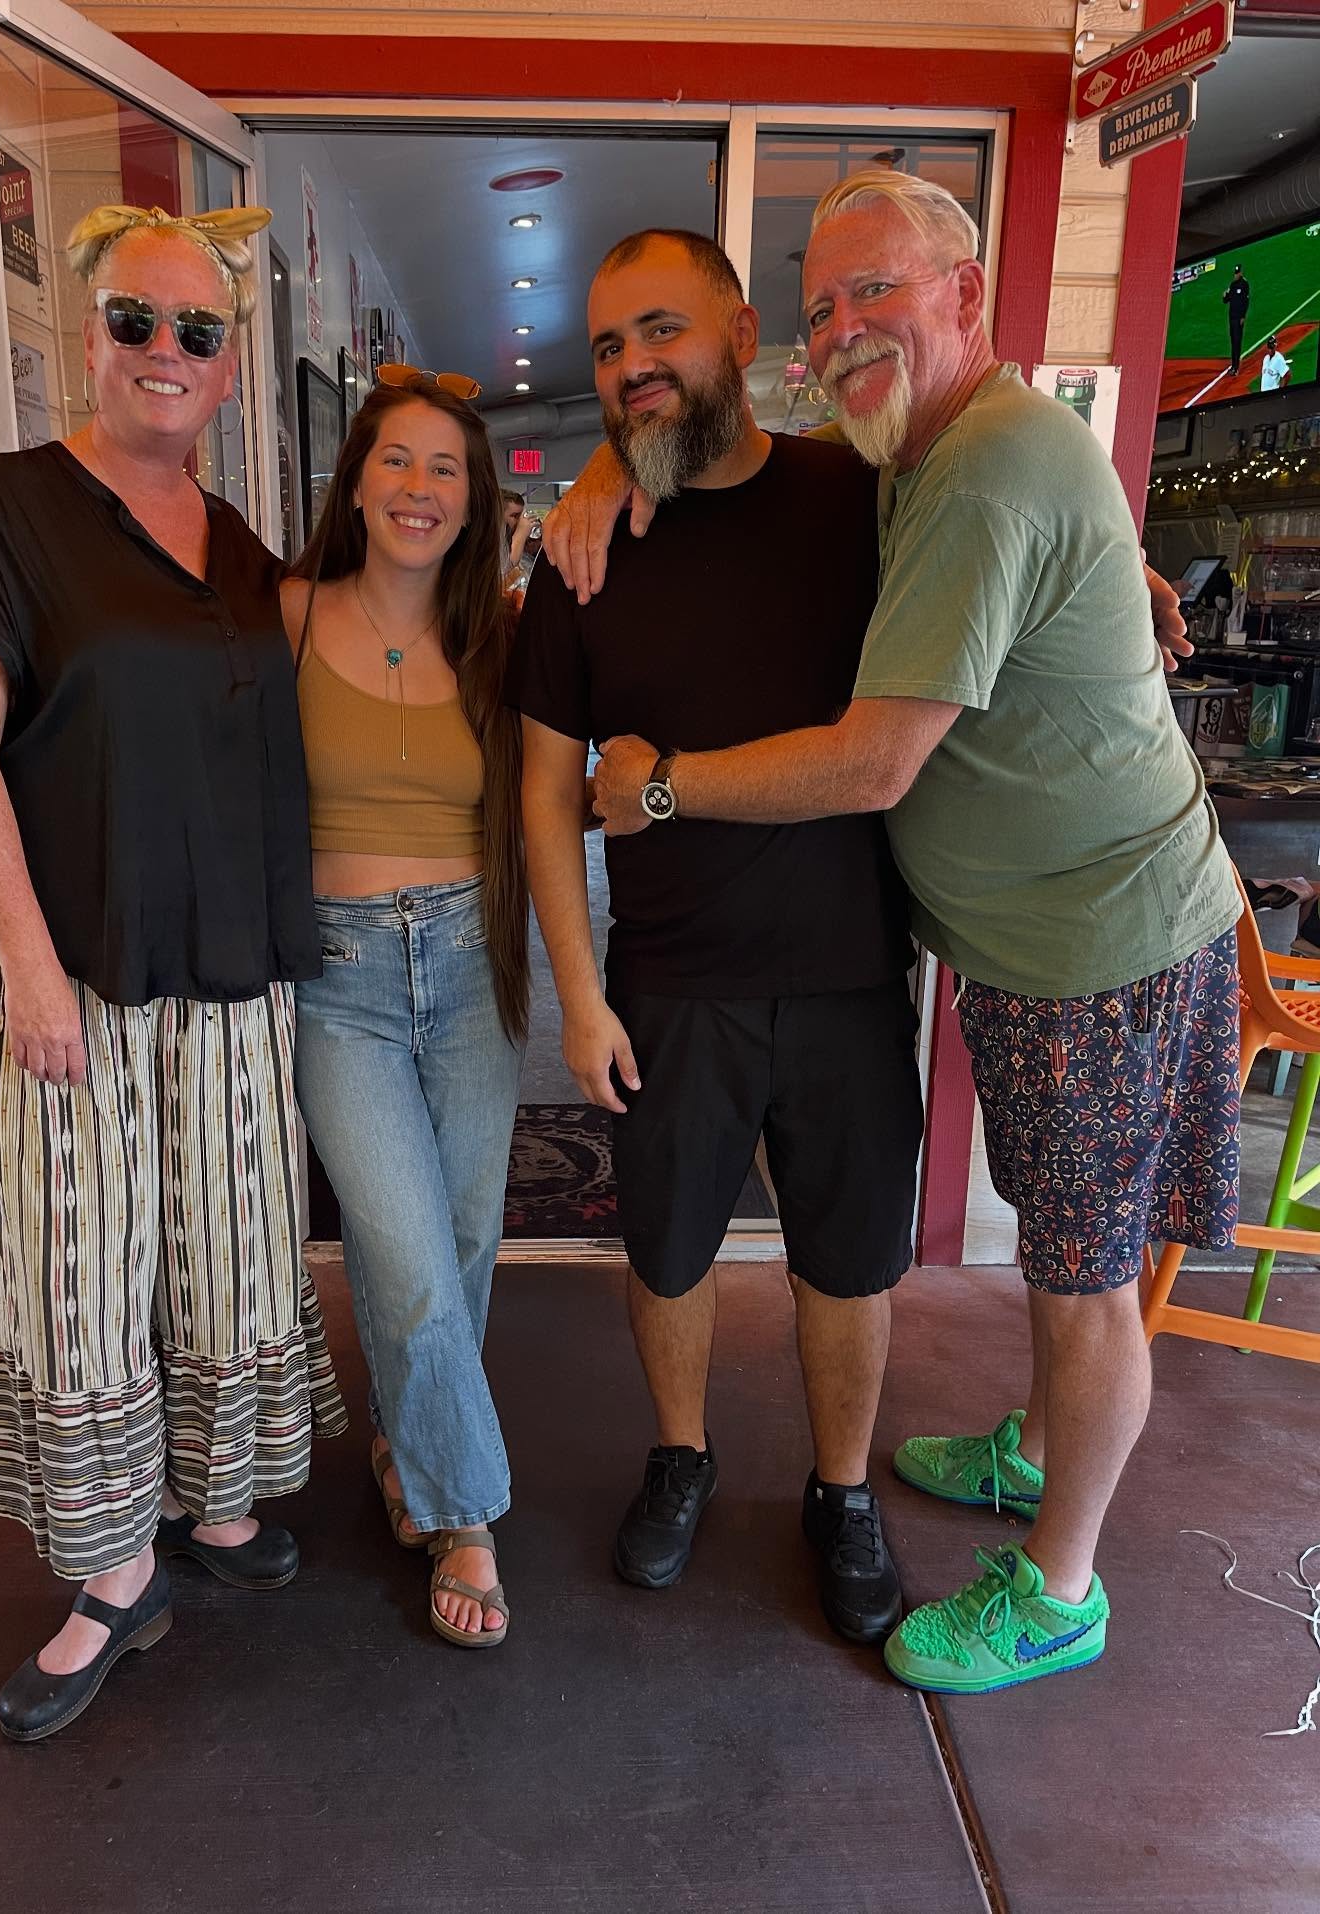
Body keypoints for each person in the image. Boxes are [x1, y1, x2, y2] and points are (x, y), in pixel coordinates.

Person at [585, 171, 1243, 1694]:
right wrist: (603, 474)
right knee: (1068, 1253)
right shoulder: (920, 453)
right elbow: (786, 466)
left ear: (969, 292)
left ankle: (1059, 1585)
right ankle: (1034, 1444)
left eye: (874, 291)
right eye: (821, 307)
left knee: (1079, 1281)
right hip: (1045, 939)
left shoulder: (991, 466)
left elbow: (876, 761)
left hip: (1101, 947)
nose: (842, 328)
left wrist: (666, 789)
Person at [0, 202, 347, 1740]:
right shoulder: (5, 506)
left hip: (224, 975)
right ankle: (109, 1571)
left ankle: (212, 1504)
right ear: (86, 343)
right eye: (136, 324)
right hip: (62, 971)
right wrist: (24, 961)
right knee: (79, 1272)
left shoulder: (242, 551)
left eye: (197, 331)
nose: (166, 351)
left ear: (228, 369)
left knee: (222, 1244)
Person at [509, 229, 923, 1646]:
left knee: (848, 1257)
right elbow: (546, 793)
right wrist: (577, 991)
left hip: (851, 967)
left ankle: (844, 1491)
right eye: (610, 345)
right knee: (669, 1248)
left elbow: (1006, 550)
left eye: (662, 332)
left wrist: (1126, 578)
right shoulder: (587, 549)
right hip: (671, 979)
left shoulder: (854, 495)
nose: (634, 367)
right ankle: (680, 1454)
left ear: (748, 335)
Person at [282, 369, 527, 1648]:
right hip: (340, 976)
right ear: (358, 480)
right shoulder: (282, 615)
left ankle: (405, 1450)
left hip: (471, 963)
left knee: (467, 1240)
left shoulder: (500, 636)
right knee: (406, 1251)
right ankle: (469, 1517)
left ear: (473, 498)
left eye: (446, 469)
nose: (420, 489)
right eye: (398, 462)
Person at [1224, 264, 1250, 377]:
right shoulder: (1233, 285)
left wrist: (1243, 316)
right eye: (1235, 273)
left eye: (1238, 273)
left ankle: (1236, 367)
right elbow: (1226, 300)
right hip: (1232, 317)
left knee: (1237, 342)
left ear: (1241, 273)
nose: (1236, 275)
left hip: (1239, 318)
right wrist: (1224, 295)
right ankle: (1233, 365)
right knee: (1233, 341)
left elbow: (1246, 302)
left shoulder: (1244, 284)